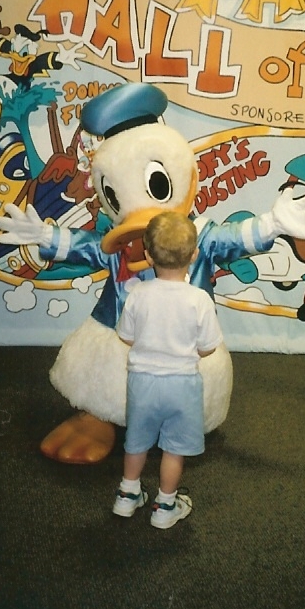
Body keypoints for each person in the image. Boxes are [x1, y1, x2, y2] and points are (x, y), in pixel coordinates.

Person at [112, 211, 223, 529]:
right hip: (182, 385)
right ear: (194, 255)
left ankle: (127, 494)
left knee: (136, 441)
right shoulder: (199, 300)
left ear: (147, 256)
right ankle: (165, 505)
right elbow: (208, 347)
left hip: (142, 383)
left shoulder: (138, 295)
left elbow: (125, 337)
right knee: (174, 449)